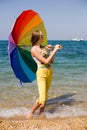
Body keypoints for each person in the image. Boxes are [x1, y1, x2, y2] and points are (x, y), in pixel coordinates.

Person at [26, 30, 62, 118]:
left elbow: (51, 61)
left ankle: (41, 113)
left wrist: (50, 51)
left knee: (45, 96)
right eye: (42, 36)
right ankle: (30, 113)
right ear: (38, 38)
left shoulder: (43, 48)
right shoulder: (34, 50)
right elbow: (45, 61)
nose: (43, 38)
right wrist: (55, 50)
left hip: (49, 71)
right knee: (42, 98)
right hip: (41, 73)